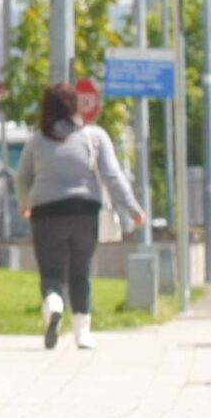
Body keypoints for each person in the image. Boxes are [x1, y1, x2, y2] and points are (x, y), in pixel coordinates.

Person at [14, 83, 146, 350]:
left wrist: (25, 204)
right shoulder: (94, 137)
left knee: (51, 273)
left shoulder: (37, 141)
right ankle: (82, 333)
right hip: (84, 211)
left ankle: (53, 304)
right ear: (75, 106)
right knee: (80, 272)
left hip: (46, 213)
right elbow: (112, 176)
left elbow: (21, 178)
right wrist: (133, 209)